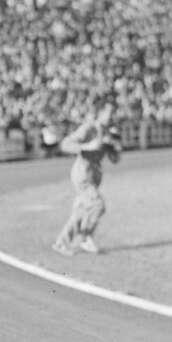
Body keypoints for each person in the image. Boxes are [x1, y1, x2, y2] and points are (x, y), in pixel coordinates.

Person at [52, 98, 121, 256]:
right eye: (110, 112)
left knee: (82, 211)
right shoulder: (89, 128)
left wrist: (115, 147)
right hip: (82, 174)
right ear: (101, 113)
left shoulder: (109, 132)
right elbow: (65, 144)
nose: (112, 116)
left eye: (114, 112)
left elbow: (115, 159)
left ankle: (62, 242)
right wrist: (86, 146)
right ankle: (84, 237)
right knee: (97, 205)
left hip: (94, 175)